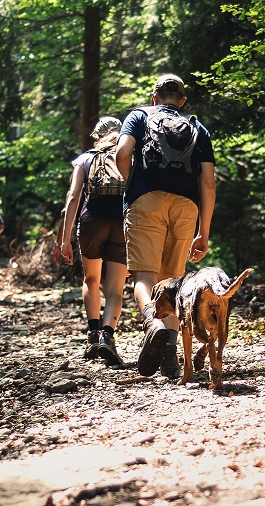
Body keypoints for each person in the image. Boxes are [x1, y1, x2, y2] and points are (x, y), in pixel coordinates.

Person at [115, 73, 215, 379]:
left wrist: (132, 182)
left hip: (147, 199)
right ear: (182, 101)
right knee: (172, 282)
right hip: (186, 206)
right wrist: (204, 232)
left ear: (154, 97)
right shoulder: (198, 127)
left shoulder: (139, 116)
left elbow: (121, 154)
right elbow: (208, 183)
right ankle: (170, 356)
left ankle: (152, 323)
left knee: (145, 276)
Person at [56, 117, 129, 366]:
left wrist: (64, 240)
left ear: (98, 136)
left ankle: (92, 334)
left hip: (91, 221)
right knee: (116, 288)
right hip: (122, 222)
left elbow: (74, 197)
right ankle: (108, 336)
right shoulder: (130, 155)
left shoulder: (86, 159)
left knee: (91, 279)